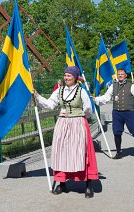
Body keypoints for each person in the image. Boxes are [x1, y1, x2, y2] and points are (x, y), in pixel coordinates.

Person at [35, 66, 98, 198]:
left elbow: (88, 109)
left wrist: (79, 118)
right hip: (62, 124)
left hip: (78, 123)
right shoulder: (59, 91)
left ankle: (88, 185)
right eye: (65, 75)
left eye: (69, 76)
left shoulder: (81, 91)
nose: (66, 78)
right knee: (61, 153)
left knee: (81, 154)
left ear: (75, 77)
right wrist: (36, 96)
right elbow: (50, 104)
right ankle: (62, 184)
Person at [93, 68, 134, 160]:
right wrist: (95, 99)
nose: (120, 75)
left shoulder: (132, 86)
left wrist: (131, 106)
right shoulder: (113, 86)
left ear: (125, 75)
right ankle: (119, 153)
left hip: (129, 113)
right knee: (117, 132)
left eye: (122, 74)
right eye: (118, 74)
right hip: (117, 113)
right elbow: (106, 97)